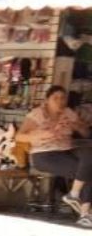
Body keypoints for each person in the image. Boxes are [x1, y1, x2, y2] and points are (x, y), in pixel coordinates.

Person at [18, 85, 92, 228]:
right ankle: (84, 213)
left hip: (65, 149)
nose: (60, 101)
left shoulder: (68, 112)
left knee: (89, 158)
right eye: (55, 98)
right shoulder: (37, 114)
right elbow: (19, 136)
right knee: (88, 172)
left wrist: (78, 125)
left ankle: (75, 196)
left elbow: (86, 134)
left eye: (63, 98)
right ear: (47, 101)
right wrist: (37, 135)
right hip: (44, 154)